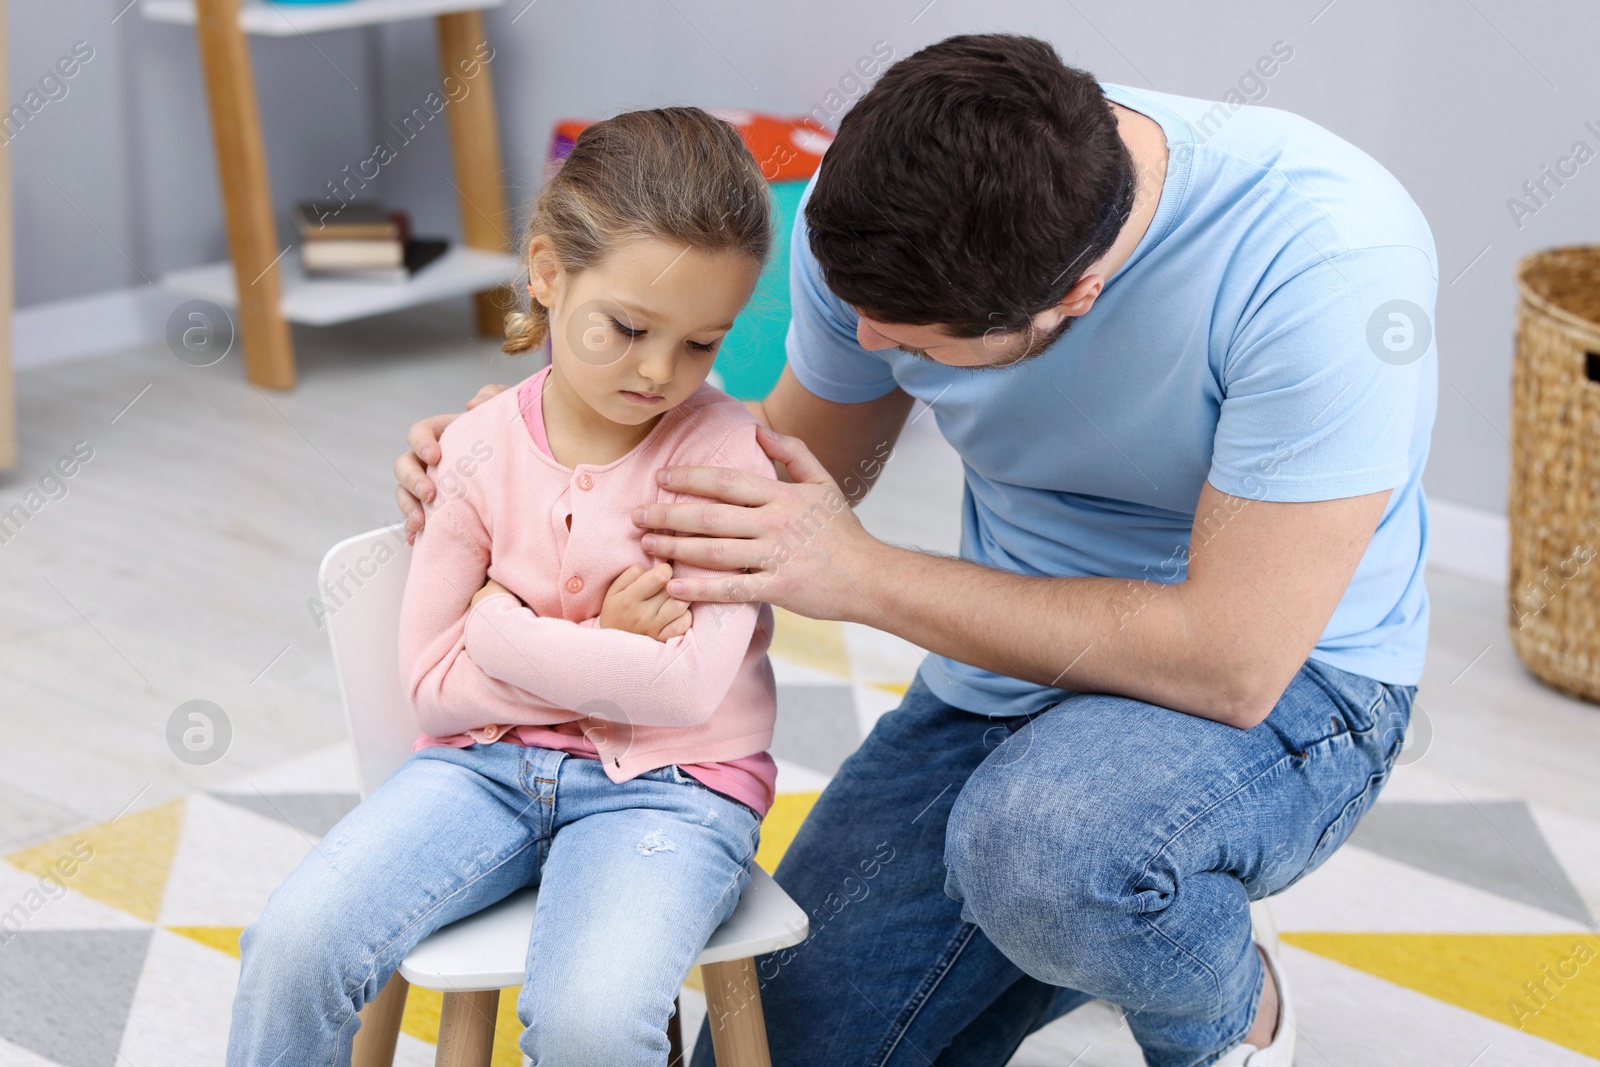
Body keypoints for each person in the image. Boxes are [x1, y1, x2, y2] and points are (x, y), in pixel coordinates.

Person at [396, 34, 1434, 1067]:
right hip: (1007, 669)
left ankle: (1224, 1001)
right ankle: (1101, 903)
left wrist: (862, 576)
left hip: (1290, 682)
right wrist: (539, 451)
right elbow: (790, 476)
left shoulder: (1324, 261)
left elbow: (1229, 660)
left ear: (1069, 300)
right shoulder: (883, 215)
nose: (872, 350)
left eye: (921, 349)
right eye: (860, 317)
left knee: (1050, 853)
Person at [229, 107, 783, 1066]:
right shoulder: (478, 448)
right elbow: (432, 687)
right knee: (293, 941)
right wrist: (614, 650)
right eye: (630, 328)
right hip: (479, 769)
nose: (661, 371)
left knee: (589, 1024)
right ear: (545, 273)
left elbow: (687, 692)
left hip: (673, 789)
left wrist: (505, 634)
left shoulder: (728, 459)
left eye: (702, 343)